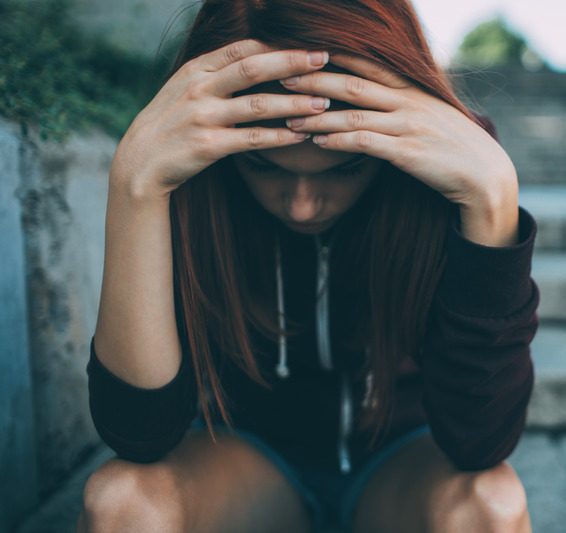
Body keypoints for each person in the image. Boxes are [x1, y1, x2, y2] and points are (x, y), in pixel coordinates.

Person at [77, 1, 541, 531]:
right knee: (120, 501)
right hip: (245, 463)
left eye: (344, 168)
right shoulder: (191, 167)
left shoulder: (450, 171)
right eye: (261, 163)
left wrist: (492, 201)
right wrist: (135, 184)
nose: (301, 204)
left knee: (492, 504)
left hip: (404, 465)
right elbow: (140, 434)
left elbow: (482, 442)